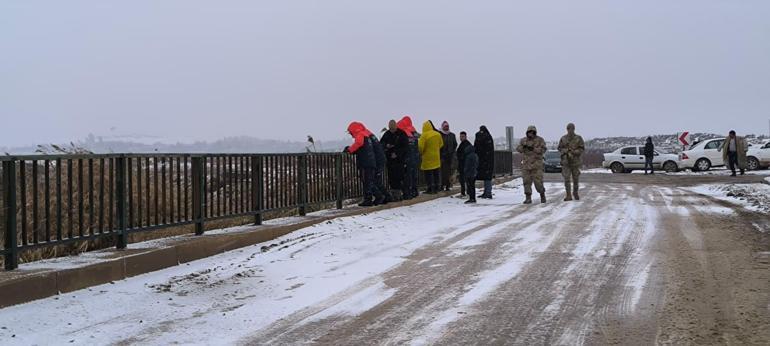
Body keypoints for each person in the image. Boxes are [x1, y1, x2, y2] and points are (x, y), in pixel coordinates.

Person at [344, 121, 383, 206]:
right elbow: (362, 147)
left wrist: (349, 150)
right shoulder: (365, 135)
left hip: (365, 162)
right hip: (370, 161)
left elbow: (358, 144)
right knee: (369, 181)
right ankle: (376, 197)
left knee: (367, 181)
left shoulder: (360, 134)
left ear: (353, 130)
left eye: (350, 132)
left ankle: (373, 198)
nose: (350, 134)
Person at [516, 125, 547, 204]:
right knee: (526, 182)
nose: (531, 134)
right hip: (526, 165)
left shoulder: (540, 140)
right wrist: (524, 146)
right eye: (529, 132)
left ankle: (542, 194)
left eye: (532, 132)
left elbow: (543, 149)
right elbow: (518, 149)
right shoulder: (523, 140)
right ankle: (528, 198)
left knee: (538, 183)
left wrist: (534, 149)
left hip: (537, 165)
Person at [380, 120, 409, 200]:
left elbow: (405, 147)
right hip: (390, 161)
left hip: (400, 161)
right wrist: (386, 146)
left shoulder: (402, 134)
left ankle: (403, 194)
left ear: (396, 127)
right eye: (391, 129)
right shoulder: (387, 134)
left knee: (400, 178)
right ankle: (395, 195)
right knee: (392, 178)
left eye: (393, 129)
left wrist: (397, 153)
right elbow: (381, 144)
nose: (392, 131)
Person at [558, 123, 585, 201]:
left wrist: (574, 152)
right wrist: (565, 151)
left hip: (575, 162)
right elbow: (559, 148)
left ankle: (575, 192)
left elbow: (582, 148)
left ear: (574, 129)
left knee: (575, 179)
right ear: (567, 129)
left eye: (572, 128)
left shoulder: (578, 138)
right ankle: (568, 195)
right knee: (566, 179)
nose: (570, 130)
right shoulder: (563, 138)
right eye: (569, 128)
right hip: (566, 162)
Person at [397, 116, 420, 199]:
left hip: (407, 158)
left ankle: (407, 193)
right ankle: (414, 191)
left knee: (407, 177)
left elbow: (403, 147)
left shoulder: (405, 133)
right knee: (413, 175)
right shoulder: (413, 132)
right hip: (415, 157)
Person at [418, 120, 444, 194]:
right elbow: (441, 144)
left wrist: (421, 153)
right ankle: (436, 187)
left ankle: (430, 189)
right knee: (436, 173)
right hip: (436, 157)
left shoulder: (424, 135)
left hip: (427, 158)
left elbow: (420, 147)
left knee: (428, 175)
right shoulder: (437, 134)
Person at [369, 131, 393, 204]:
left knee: (375, 181)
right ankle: (386, 196)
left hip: (378, 161)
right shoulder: (373, 138)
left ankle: (383, 196)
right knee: (377, 181)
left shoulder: (368, 138)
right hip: (380, 160)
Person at [474, 126, 495, 199]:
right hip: (488, 160)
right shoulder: (488, 137)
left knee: (487, 177)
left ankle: (487, 193)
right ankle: (487, 192)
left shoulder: (481, 137)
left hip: (483, 160)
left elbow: (477, 147)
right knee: (487, 177)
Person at [440, 121, 458, 191]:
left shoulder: (452, 135)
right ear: (442, 127)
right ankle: (441, 185)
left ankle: (448, 185)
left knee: (449, 172)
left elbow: (455, 144)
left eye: (447, 126)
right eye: (445, 126)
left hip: (450, 156)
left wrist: (452, 151)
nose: (446, 128)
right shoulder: (440, 134)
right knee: (442, 172)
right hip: (442, 156)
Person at [456, 132, 471, 196]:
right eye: (460, 136)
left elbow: (465, 154)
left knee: (465, 179)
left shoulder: (466, 144)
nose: (461, 138)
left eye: (462, 136)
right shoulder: (462, 144)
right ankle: (465, 192)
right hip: (462, 164)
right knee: (463, 179)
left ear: (465, 136)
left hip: (465, 164)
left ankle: (465, 192)